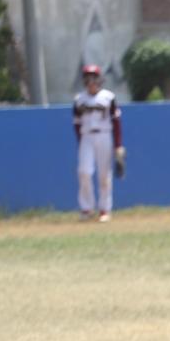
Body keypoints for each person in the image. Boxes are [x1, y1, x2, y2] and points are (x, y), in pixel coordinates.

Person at [72, 64, 124, 222]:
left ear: (100, 79)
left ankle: (104, 209)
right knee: (84, 171)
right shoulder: (79, 99)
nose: (91, 82)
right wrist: (80, 143)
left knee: (104, 174)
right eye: (88, 78)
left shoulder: (108, 97)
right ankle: (86, 208)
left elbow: (116, 122)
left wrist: (118, 145)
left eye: (94, 78)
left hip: (105, 135)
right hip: (86, 136)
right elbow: (76, 124)